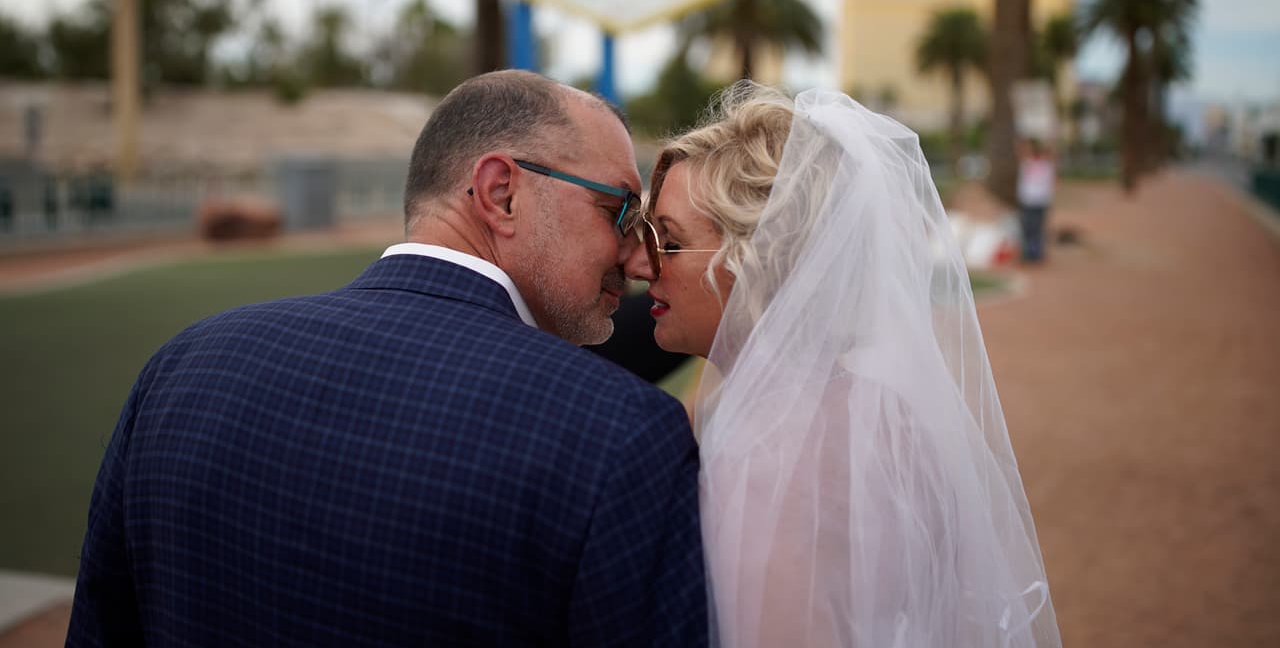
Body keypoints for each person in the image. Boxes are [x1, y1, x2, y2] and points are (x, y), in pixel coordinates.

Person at [67, 70, 708, 647]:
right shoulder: (622, 434)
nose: (638, 257)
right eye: (620, 210)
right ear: (500, 192)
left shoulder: (180, 367)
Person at [624, 83, 1061, 647]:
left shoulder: (767, 454)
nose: (639, 262)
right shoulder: (892, 415)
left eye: (670, 241)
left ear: (760, 258)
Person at [1017, 137, 1056, 263]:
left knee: (1037, 228)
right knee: (1029, 228)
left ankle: (1036, 253)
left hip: (1039, 201)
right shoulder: (1027, 164)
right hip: (1030, 201)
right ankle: (1030, 252)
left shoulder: (1045, 166)